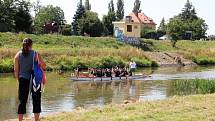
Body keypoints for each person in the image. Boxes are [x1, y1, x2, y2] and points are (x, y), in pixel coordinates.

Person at [14, 38, 46, 121]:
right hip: (35, 79)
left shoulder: (18, 55)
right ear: (31, 45)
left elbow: (16, 71)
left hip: (22, 79)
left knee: (22, 101)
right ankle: (36, 119)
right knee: (36, 100)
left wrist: (20, 80)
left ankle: (20, 120)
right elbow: (43, 66)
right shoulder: (35, 54)